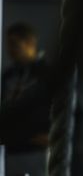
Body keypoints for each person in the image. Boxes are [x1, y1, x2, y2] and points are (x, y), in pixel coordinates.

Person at [1, 22, 52, 176]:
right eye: (8, 44)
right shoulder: (8, 76)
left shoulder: (47, 74)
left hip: (39, 150)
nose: (10, 49)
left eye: (15, 44)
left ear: (30, 43)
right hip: (12, 152)